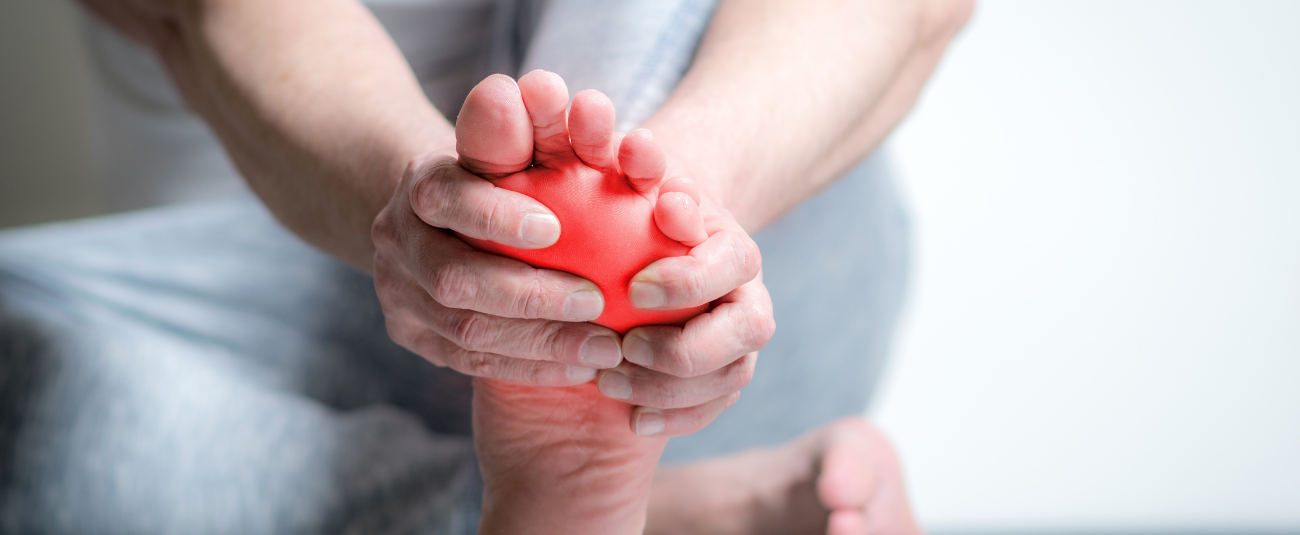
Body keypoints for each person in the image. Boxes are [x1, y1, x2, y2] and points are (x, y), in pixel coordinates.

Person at [0, 0, 971, 532]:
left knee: (600, 112)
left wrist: (683, 216)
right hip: (261, 377)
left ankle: (606, 290)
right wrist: (417, 207)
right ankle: (634, 515)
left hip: (732, 311)